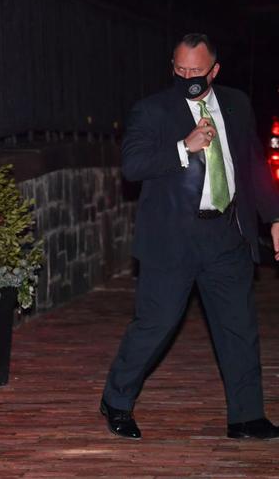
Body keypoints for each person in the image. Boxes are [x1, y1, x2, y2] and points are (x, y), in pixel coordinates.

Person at [100, 33, 279, 441]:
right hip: (173, 238)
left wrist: (274, 216)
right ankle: (117, 400)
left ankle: (246, 416)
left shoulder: (236, 103)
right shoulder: (153, 110)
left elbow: (251, 163)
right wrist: (185, 146)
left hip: (226, 232)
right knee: (156, 325)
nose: (187, 77)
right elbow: (133, 165)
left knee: (238, 327)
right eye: (180, 70)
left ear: (214, 71)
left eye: (196, 71)